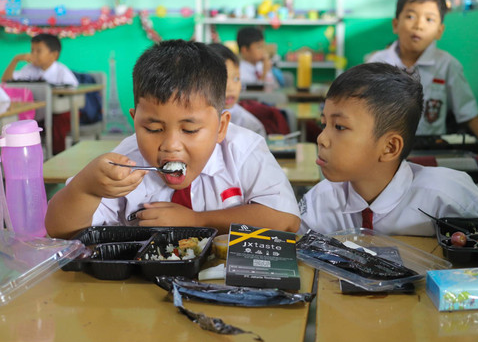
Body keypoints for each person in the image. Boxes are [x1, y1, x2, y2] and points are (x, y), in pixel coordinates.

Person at [45, 40, 300, 239]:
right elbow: (60, 230)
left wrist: (196, 221)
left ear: (221, 126)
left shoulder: (244, 150)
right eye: (153, 128)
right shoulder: (125, 162)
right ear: (135, 121)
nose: (170, 145)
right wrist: (84, 189)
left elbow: (286, 220)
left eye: (189, 130)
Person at [298, 63, 478, 236]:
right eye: (324, 124)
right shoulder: (318, 202)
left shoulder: (450, 201)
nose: (321, 138)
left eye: (339, 127)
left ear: (390, 147)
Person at [367, 0, 478, 141]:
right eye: (410, 16)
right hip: (384, 146)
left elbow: (466, 109)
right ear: (395, 25)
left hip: (432, 148)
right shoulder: (377, 62)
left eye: (429, 19)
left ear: (439, 31)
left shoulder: (447, 64)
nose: (419, 25)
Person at [1, 33, 78, 154]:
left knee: (58, 121)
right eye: (32, 50)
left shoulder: (61, 71)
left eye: (38, 51)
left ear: (53, 55)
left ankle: (57, 155)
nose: (33, 54)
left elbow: (73, 90)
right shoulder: (29, 69)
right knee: (15, 122)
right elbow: (6, 81)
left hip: (55, 112)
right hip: (35, 112)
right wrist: (16, 59)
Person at [209, 43, 267, 138]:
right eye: (221, 80)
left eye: (236, 79)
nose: (230, 87)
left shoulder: (251, 127)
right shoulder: (190, 123)